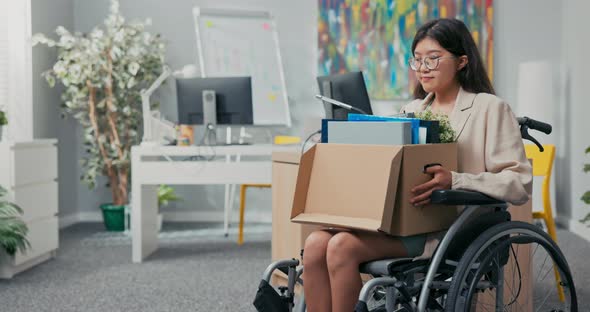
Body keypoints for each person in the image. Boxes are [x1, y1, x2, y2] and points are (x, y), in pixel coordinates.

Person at [302, 18, 533, 312]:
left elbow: (519, 182)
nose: (424, 68)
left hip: (445, 230)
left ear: (462, 61)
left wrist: (457, 180)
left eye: (433, 59)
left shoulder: (490, 108)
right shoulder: (410, 111)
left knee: (339, 247)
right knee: (314, 244)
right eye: (418, 60)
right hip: (396, 222)